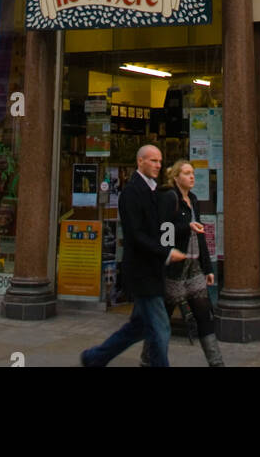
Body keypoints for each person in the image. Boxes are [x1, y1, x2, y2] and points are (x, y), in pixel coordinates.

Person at [80, 143, 185, 368]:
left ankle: (95, 358)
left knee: (137, 327)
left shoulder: (154, 189)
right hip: (141, 272)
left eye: (159, 160)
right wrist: (165, 252)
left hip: (151, 270)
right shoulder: (131, 192)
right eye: (153, 160)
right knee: (161, 328)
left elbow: (157, 227)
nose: (158, 165)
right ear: (140, 161)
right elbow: (136, 234)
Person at [159, 161, 225, 367]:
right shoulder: (169, 198)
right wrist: (185, 228)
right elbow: (165, 232)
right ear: (176, 177)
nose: (192, 177)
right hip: (176, 268)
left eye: (193, 173)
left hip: (194, 267)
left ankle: (217, 363)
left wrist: (208, 268)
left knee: (204, 316)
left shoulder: (194, 199)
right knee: (162, 320)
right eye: (187, 173)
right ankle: (148, 359)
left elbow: (201, 235)